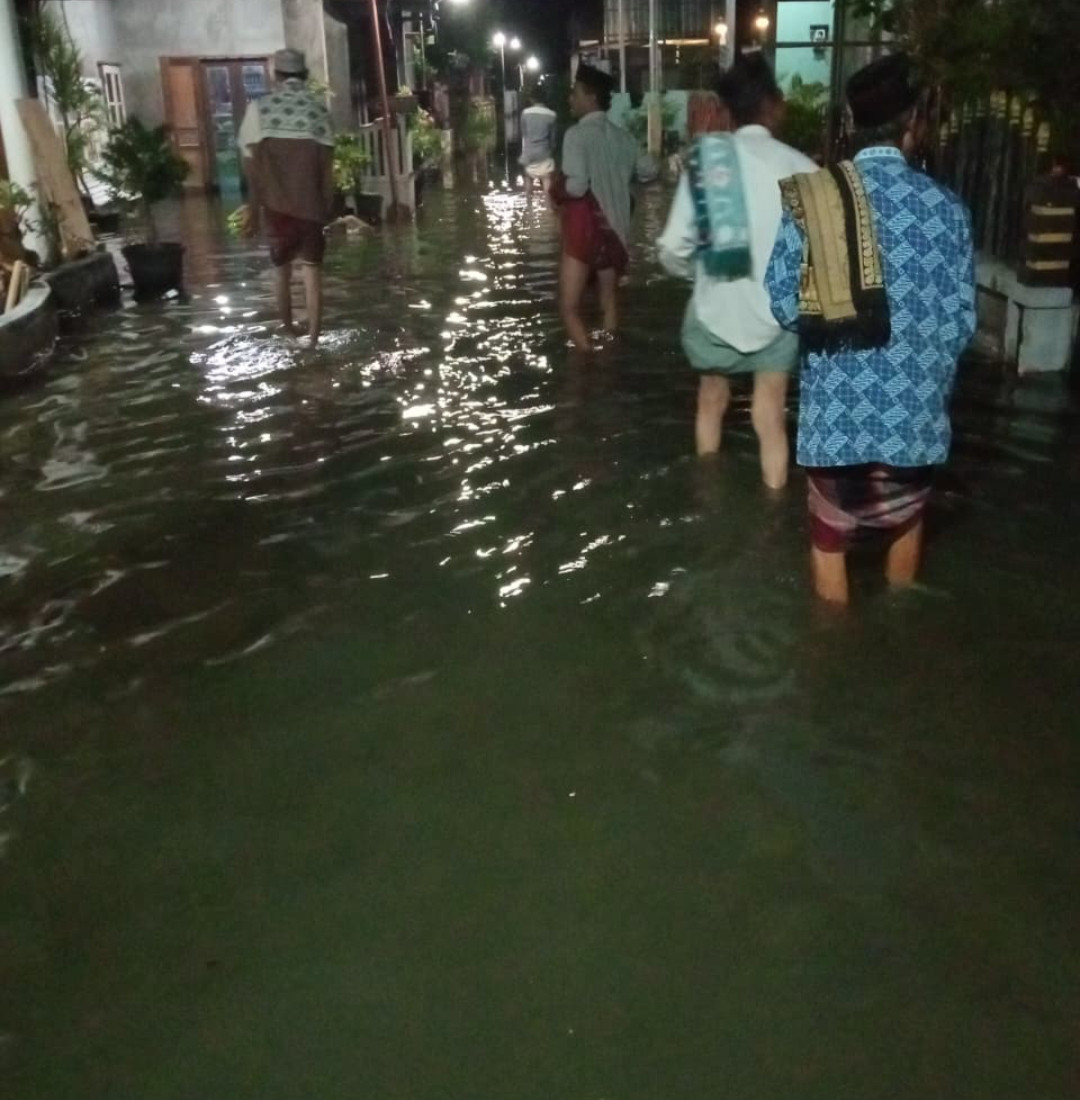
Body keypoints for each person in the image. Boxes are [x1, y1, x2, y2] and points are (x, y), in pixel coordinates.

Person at [765, 53, 977, 603]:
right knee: (907, 521)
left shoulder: (814, 199)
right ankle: (900, 619)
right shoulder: (949, 210)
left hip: (835, 422)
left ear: (851, 125)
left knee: (830, 537)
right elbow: (962, 324)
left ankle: (832, 647)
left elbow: (783, 305)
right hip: (915, 422)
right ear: (914, 125)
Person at [656, 55, 818, 488]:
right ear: (775, 104)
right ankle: (774, 500)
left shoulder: (708, 161)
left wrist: (701, 273)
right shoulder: (804, 169)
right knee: (770, 415)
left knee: (711, 401)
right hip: (778, 318)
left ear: (728, 109)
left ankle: (707, 495)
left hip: (715, 311)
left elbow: (672, 248)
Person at [238, 48, 334, 345]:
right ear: (304, 75)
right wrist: (328, 208)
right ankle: (313, 341)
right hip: (311, 206)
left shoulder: (260, 109)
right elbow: (327, 167)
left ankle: (289, 332)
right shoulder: (319, 111)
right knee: (312, 274)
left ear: (276, 75)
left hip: (276, 207)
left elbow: (250, 162)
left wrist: (253, 208)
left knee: (280, 271)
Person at [552, 64, 639, 352]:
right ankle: (610, 359)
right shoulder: (625, 138)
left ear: (591, 98)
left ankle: (587, 360)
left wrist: (558, 187)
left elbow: (577, 186)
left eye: (575, 93)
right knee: (608, 301)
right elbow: (649, 170)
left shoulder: (576, 135)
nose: (570, 99)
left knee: (569, 307)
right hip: (616, 232)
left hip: (585, 232)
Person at [519, 90, 558, 194]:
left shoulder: (525, 113)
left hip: (529, 153)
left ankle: (529, 203)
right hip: (544, 152)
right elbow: (553, 139)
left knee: (528, 177)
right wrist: (551, 150)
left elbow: (524, 134)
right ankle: (547, 202)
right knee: (546, 178)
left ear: (532, 99)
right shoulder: (552, 115)